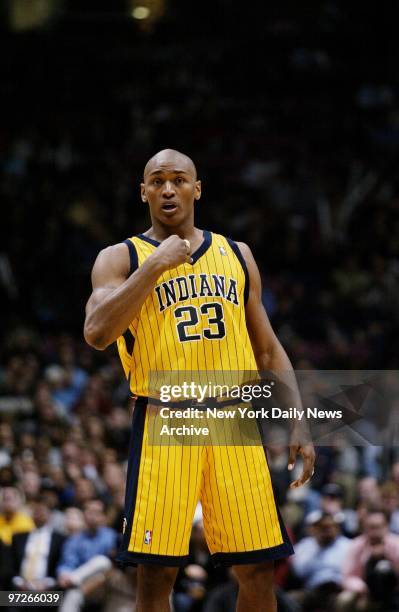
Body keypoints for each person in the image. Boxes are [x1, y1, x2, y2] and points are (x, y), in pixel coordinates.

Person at [84, 148, 316, 612]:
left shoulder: (237, 253)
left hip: (233, 419)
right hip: (166, 418)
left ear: (197, 188)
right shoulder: (121, 257)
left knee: (256, 569)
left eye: (178, 179)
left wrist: (300, 422)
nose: (168, 189)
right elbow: (97, 333)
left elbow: (267, 347)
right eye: (157, 181)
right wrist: (155, 266)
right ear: (143, 192)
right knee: (156, 576)